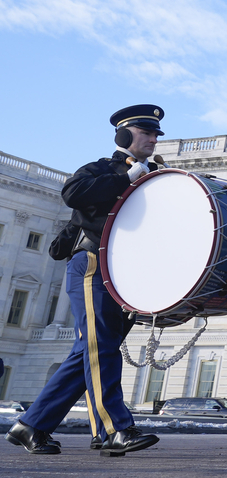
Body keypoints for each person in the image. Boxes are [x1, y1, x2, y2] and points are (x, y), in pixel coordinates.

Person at [9, 105, 165, 457]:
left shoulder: (156, 176)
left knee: (88, 351)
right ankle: (115, 430)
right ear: (125, 136)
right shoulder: (100, 169)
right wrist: (125, 179)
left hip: (125, 272)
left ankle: (30, 425)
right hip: (94, 263)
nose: (154, 139)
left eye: (156, 134)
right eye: (147, 133)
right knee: (101, 348)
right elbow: (73, 194)